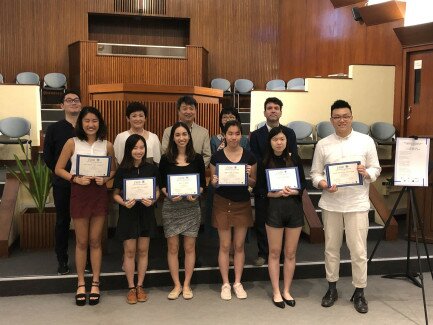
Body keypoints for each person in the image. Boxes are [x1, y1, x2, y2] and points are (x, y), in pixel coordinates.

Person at [310, 100, 381, 314]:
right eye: (337, 117)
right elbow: (315, 174)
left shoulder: (366, 141)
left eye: (346, 116)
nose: (342, 120)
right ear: (331, 120)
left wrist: (366, 173)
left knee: (358, 251)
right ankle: (332, 288)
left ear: (352, 117)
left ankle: (359, 291)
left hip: (357, 204)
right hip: (331, 204)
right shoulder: (323, 144)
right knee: (331, 249)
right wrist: (322, 183)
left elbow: (376, 168)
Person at [55, 106, 116, 306]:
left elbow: (113, 170)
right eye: (87, 121)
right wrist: (75, 178)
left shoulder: (106, 144)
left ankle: (96, 283)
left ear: (100, 123)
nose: (91, 125)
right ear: (81, 123)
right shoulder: (72, 143)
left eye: (95, 121)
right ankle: (81, 283)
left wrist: (105, 178)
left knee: (95, 241)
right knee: (81, 242)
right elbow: (58, 169)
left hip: (98, 194)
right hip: (79, 193)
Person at [257, 126, 306, 309]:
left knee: (291, 253)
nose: (279, 142)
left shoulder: (295, 159)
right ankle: (276, 291)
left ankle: (287, 290)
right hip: (274, 210)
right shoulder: (264, 162)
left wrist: (294, 190)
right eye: (275, 139)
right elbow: (260, 191)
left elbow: (303, 184)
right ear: (270, 142)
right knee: (274, 252)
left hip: (293, 209)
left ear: (287, 142)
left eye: (282, 139)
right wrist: (275, 194)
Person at [210, 120, 257, 300]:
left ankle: (237, 282)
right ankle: (225, 283)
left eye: (237, 133)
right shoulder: (217, 157)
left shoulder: (250, 156)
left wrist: (247, 176)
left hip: (242, 202)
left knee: (238, 246)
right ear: (224, 135)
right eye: (230, 133)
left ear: (241, 136)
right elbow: (213, 183)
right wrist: (214, 181)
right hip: (222, 202)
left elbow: (254, 182)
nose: (234, 137)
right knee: (224, 245)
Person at [159, 122, 206, 300]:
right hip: (171, 207)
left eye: (184, 134)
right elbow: (162, 183)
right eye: (177, 135)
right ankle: (176, 284)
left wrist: (197, 194)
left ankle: (186, 284)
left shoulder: (197, 158)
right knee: (172, 247)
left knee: (189, 247)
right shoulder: (165, 159)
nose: (181, 138)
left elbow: (202, 184)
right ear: (173, 138)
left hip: (191, 207)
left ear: (189, 136)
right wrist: (167, 194)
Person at [249, 97, 298, 266]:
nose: (273, 110)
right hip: (264, 182)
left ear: (281, 112)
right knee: (262, 219)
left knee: (283, 220)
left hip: (285, 182)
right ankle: (263, 253)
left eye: (276, 108)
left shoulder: (289, 133)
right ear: (264, 112)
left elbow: (293, 156)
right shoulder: (255, 135)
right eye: (269, 108)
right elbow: (254, 158)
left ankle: (283, 254)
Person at [113, 134, 161, 304]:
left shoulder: (152, 168)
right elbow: (115, 194)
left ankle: (140, 285)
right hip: (128, 214)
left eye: (141, 147)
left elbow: (157, 191)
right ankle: (131, 287)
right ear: (129, 150)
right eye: (135, 148)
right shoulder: (122, 170)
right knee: (130, 251)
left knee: (143, 251)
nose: (139, 151)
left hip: (146, 214)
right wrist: (124, 203)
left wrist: (153, 199)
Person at [43, 90, 81, 275]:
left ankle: (86, 260)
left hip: (85, 184)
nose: (73, 103)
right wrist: (63, 173)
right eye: (69, 100)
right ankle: (62, 260)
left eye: (76, 100)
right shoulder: (54, 129)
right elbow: (49, 157)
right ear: (62, 105)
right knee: (63, 221)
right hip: (63, 183)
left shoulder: (87, 126)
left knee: (84, 222)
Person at [161, 96, 211, 167]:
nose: (188, 111)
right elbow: (165, 153)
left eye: (191, 108)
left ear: (195, 111)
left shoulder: (203, 132)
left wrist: (194, 168)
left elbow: (207, 156)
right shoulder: (168, 131)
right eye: (185, 108)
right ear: (178, 111)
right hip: (174, 172)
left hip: (195, 173)